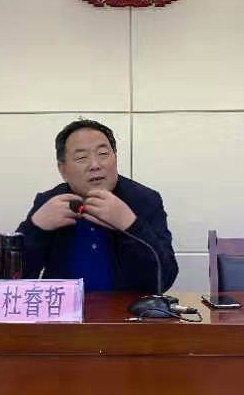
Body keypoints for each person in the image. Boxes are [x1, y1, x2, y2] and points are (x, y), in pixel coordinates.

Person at [16, 119, 178, 292]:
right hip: (63, 308)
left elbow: (164, 280)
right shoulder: (50, 203)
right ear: (62, 169)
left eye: (103, 153)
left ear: (115, 157)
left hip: (127, 308)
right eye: (81, 157)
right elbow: (12, 282)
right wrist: (35, 228)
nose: (95, 165)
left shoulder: (144, 200)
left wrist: (131, 225)